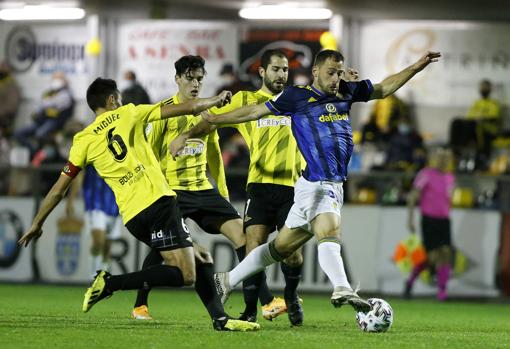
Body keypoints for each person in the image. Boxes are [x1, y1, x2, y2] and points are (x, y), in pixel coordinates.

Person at [202, 49, 441, 314]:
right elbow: (254, 111)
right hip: (318, 183)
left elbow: (384, 88)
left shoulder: (347, 92)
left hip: (321, 184)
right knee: (330, 230)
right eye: (331, 73)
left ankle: (227, 280)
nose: (336, 78)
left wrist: (417, 66)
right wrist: (215, 119)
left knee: (279, 248)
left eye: (339, 73)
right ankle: (342, 286)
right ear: (315, 71)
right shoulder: (297, 97)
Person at [17, 77, 259, 332]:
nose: (120, 102)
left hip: (132, 216)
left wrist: (36, 223)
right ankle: (109, 283)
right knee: (186, 275)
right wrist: (215, 99)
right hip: (158, 202)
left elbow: (58, 189)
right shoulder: (129, 113)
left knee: (201, 256)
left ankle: (220, 319)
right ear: (112, 100)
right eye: (118, 98)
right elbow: (186, 107)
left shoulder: (83, 139)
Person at [172, 50, 306, 325]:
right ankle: (250, 311)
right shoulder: (247, 100)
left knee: (292, 254)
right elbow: (210, 121)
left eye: (285, 70)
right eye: (276, 69)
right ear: (262, 72)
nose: (281, 75)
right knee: (252, 247)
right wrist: (186, 135)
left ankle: (291, 296)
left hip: (292, 187)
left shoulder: (297, 100)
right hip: (258, 187)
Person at [130, 55, 252, 321]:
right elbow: (149, 155)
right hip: (171, 192)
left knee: (243, 234)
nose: (195, 83)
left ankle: (256, 304)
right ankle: (140, 304)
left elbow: (214, 155)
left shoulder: (208, 114)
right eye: (189, 78)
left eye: (199, 78)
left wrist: (222, 191)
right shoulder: (163, 113)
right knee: (161, 250)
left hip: (201, 190)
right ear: (177, 79)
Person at [405, 147, 455, 301]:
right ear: (434, 159)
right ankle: (410, 281)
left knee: (446, 253)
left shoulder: (450, 177)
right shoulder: (426, 174)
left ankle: (442, 292)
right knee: (431, 257)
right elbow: (413, 196)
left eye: (446, 158)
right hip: (429, 219)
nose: (443, 161)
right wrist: (410, 218)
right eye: (440, 157)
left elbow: (448, 199)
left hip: (444, 220)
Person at [66, 166, 122, 277]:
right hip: (94, 202)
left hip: (114, 203)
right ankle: (94, 277)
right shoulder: (89, 151)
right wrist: (71, 200)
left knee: (107, 247)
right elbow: (79, 174)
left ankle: (105, 278)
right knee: (98, 241)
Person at [14, 72, 75, 157]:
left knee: (40, 134)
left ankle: (43, 155)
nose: (56, 81)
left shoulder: (66, 94)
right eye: (55, 79)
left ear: (64, 81)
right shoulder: (48, 92)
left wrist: (46, 105)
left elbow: (50, 104)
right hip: (41, 121)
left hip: (55, 122)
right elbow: (40, 105)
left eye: (59, 79)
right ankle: (33, 151)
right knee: (19, 133)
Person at [466, 79, 501, 161]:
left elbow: (494, 117)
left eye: (486, 88)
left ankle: (484, 159)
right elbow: (469, 116)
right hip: (476, 129)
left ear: (490, 89)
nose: (484, 89)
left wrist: (482, 119)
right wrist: (476, 119)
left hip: (490, 130)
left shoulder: (493, 103)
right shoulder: (476, 103)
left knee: (484, 135)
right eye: (482, 87)